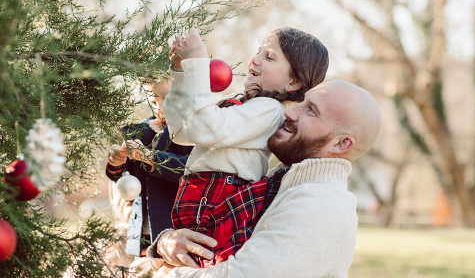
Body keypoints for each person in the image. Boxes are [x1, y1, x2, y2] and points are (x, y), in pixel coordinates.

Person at [148, 80, 382, 278]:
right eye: (302, 102)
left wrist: (164, 274)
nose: (290, 112)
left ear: (341, 144)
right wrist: (165, 244)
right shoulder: (278, 185)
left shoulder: (321, 204)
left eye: (311, 110)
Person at [163, 27, 329, 266]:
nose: (255, 59)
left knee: (208, 265)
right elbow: (182, 131)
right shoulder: (242, 101)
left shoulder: (270, 110)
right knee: (190, 265)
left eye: (269, 57)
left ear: (293, 81)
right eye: (259, 51)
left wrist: (198, 62)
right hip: (198, 195)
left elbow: (206, 128)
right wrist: (181, 73)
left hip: (219, 200)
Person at [105, 78, 193, 268]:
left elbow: (192, 170)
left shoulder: (193, 133)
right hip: (144, 229)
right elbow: (125, 180)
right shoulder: (141, 133)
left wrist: (152, 157)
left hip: (175, 230)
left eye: (168, 100)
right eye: (154, 102)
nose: (160, 108)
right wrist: (116, 163)